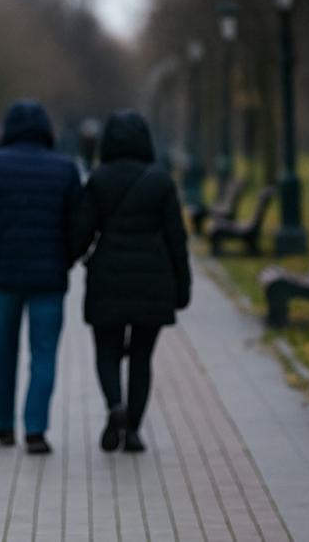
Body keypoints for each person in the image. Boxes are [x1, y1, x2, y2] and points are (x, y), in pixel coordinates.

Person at [0, 100, 81, 455]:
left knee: (4, 349)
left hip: (5, 276)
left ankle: (5, 427)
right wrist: (64, 259)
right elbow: (79, 225)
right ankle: (36, 430)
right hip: (50, 278)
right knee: (43, 353)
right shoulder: (66, 168)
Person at [70, 109, 190, 453]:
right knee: (141, 357)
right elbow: (176, 239)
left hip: (107, 276)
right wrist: (183, 286)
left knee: (106, 352)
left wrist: (71, 256)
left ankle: (115, 407)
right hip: (154, 280)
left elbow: (82, 231)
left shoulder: (99, 179)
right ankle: (134, 429)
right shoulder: (161, 180)